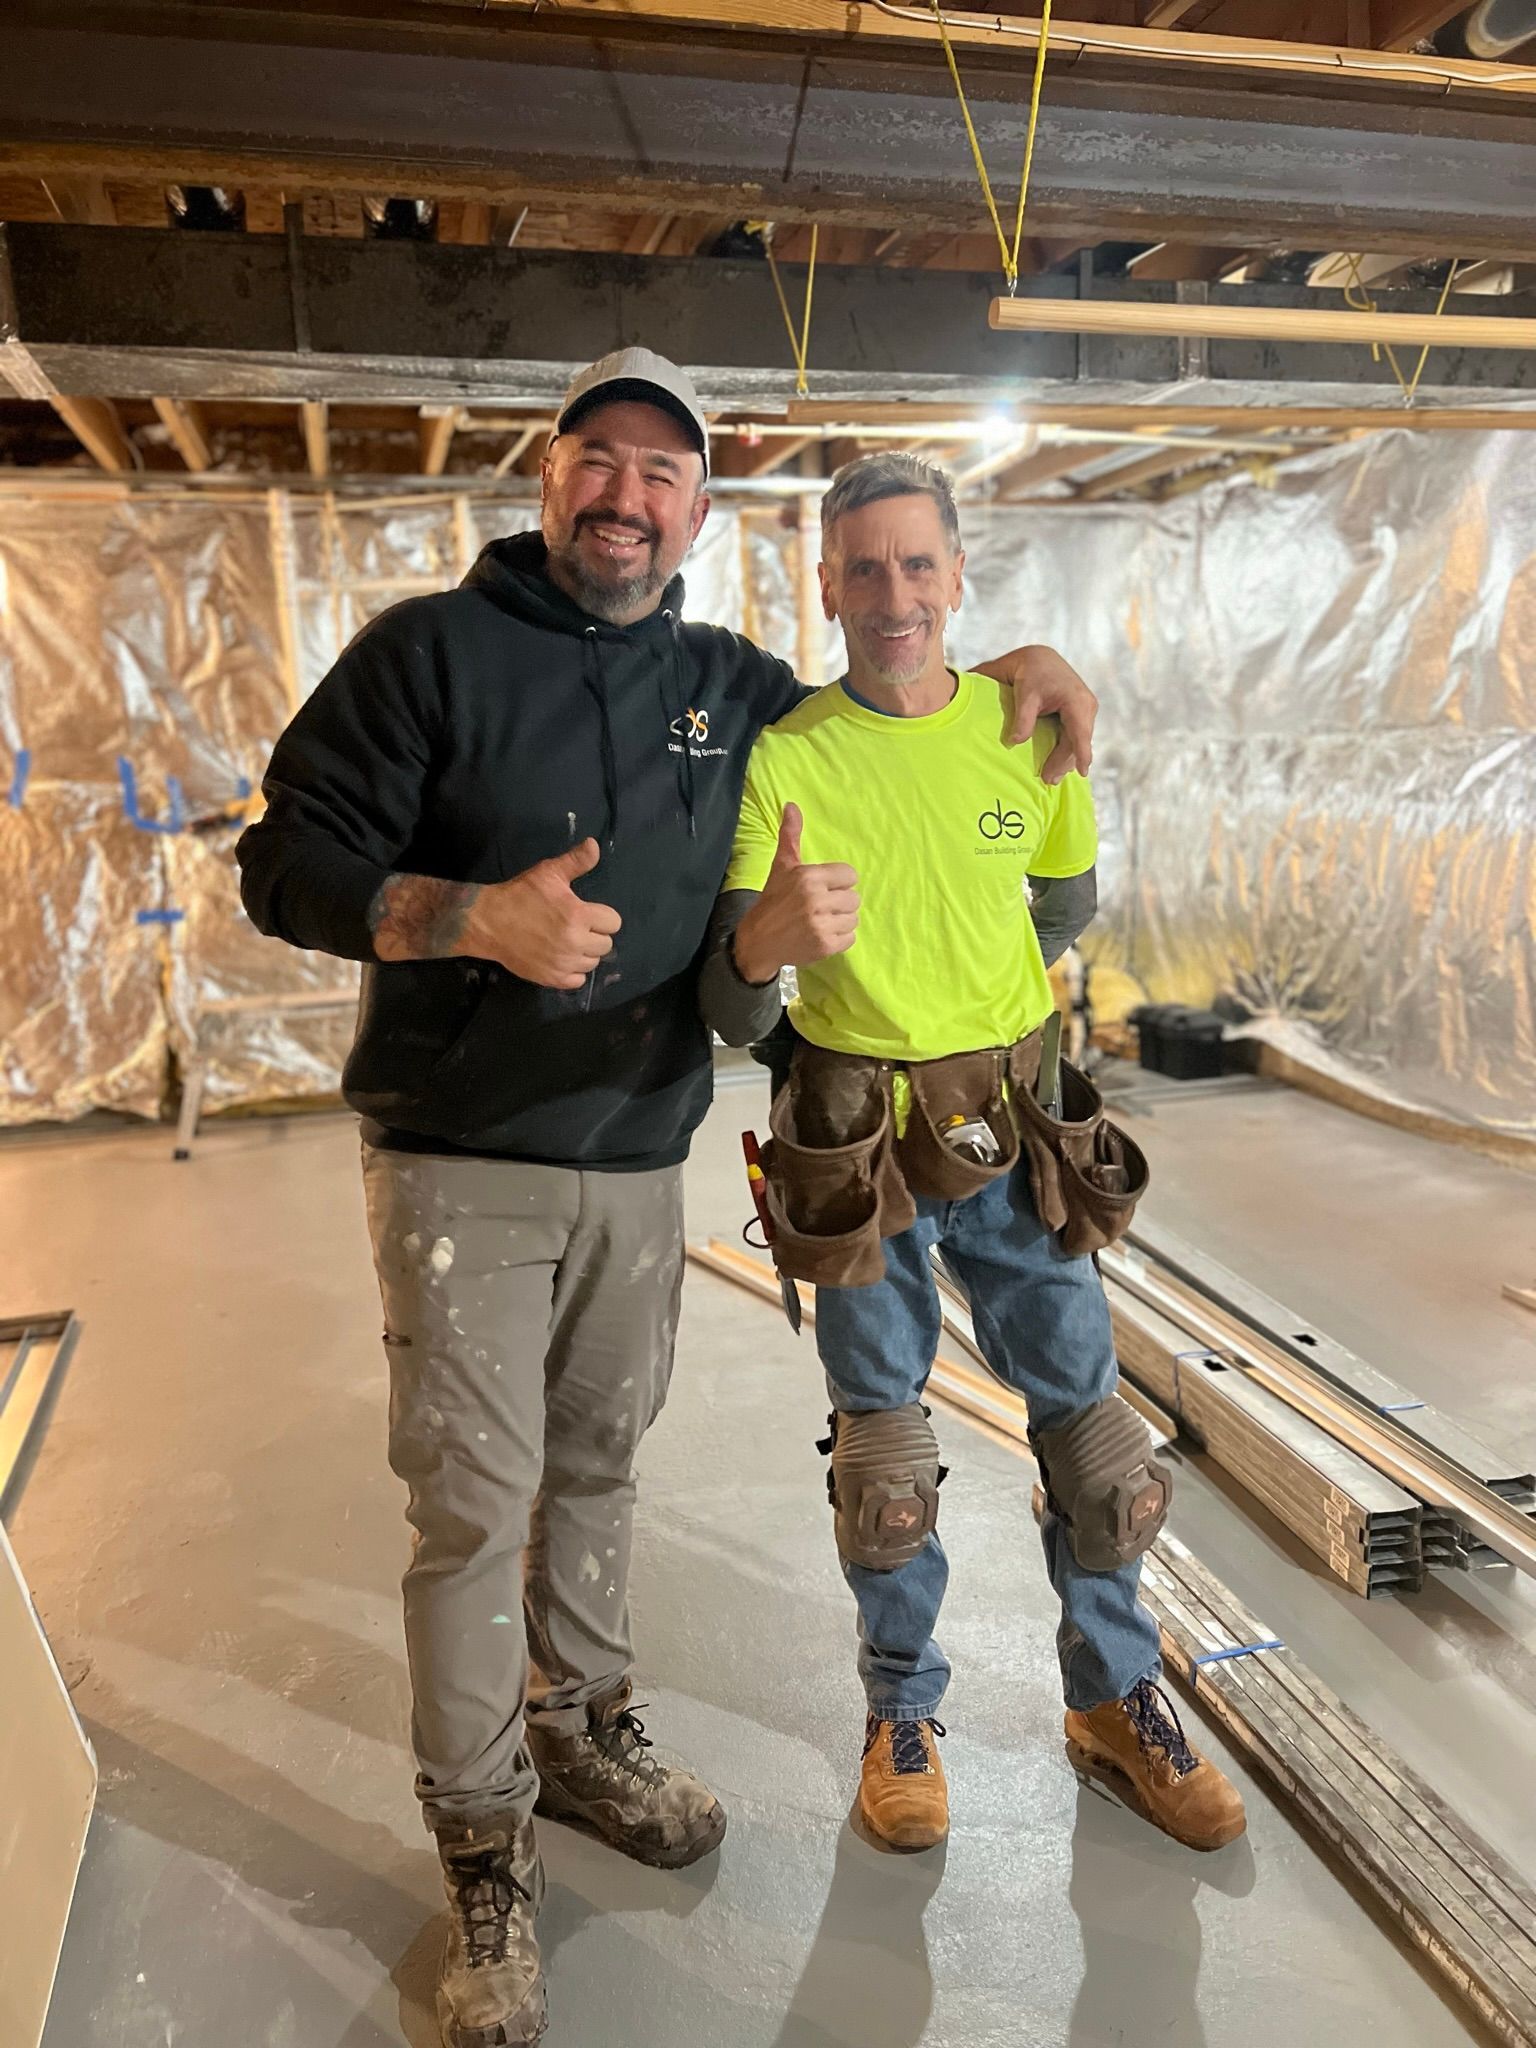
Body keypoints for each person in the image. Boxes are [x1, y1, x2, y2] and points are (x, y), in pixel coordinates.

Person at [237, 348, 1104, 2048]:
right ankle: (484, 1847)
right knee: (475, 1511)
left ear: (701, 514)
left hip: (640, 1152)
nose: (629, 496)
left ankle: (583, 1732)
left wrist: (1029, 663)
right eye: (601, 461)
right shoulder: (427, 654)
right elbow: (283, 860)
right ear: (547, 476)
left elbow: (897, 682)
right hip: (459, 1158)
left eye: (665, 473)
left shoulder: (735, 680)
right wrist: (466, 916)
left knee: (599, 1477)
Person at [703, 450, 1246, 1860]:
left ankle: (1117, 1698)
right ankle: (902, 1715)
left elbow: (1063, 892)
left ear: (957, 575)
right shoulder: (788, 757)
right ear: (826, 583)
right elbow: (731, 1002)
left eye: (918, 564)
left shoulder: (1026, 724)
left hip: (1020, 1130)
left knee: (1095, 1435)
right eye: (865, 568)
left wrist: (975, 999)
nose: (895, 594)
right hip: (855, 1141)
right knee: (885, 1456)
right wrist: (772, 945)